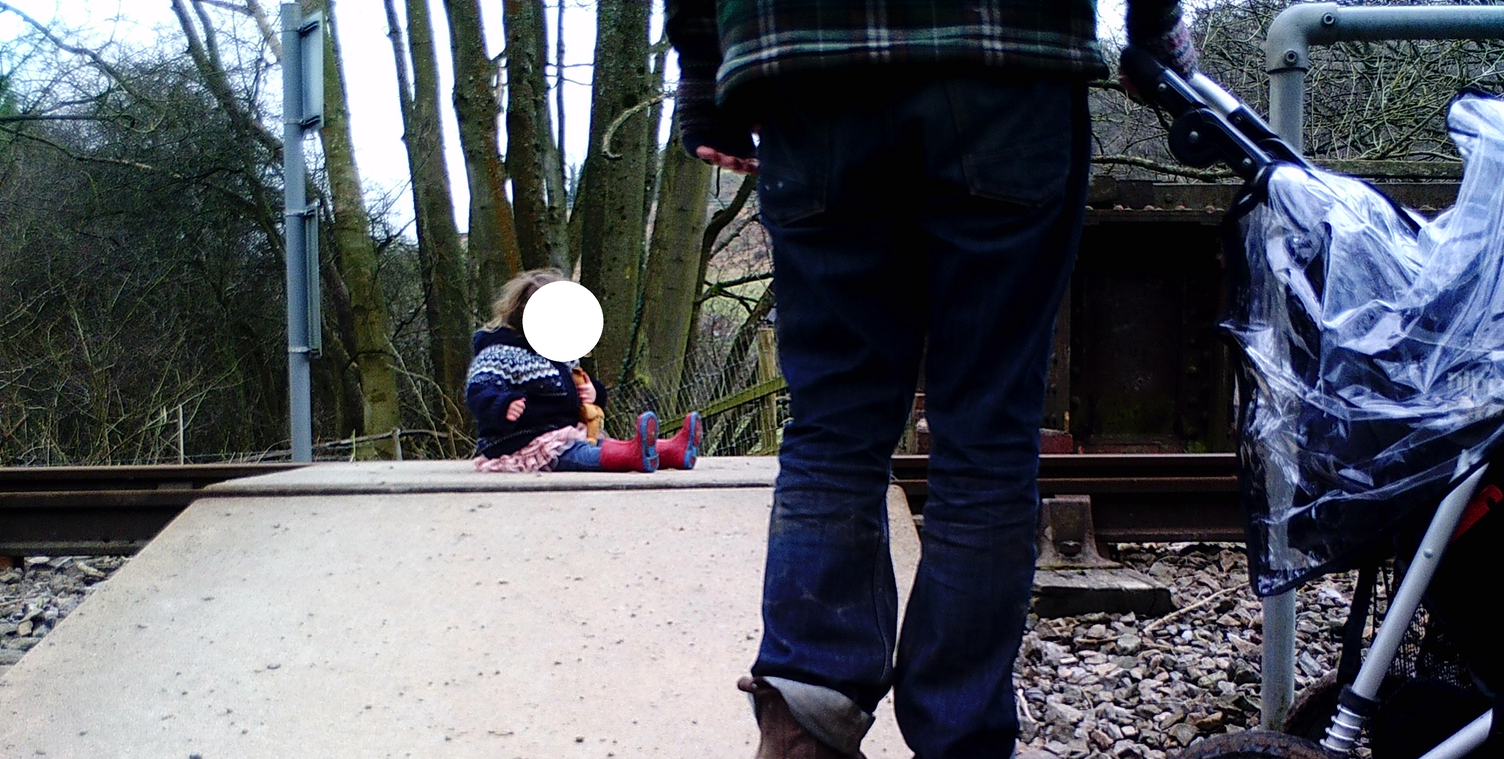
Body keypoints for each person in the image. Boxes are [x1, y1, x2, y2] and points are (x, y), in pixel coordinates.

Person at [665, 3, 1197, 758]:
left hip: (808, 64)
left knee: (833, 428)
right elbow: (1154, 41)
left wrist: (702, 75)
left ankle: (803, 730)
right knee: (986, 437)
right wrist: (1157, 44)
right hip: (1007, 62)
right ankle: (960, 734)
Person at [467, 268, 702, 473]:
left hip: (563, 433)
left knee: (596, 444)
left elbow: (573, 392)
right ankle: (633, 456)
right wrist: (501, 404)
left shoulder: (559, 354)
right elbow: (478, 390)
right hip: (521, 442)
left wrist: (593, 393)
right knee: (579, 453)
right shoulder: (501, 352)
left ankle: (672, 450)